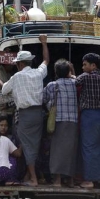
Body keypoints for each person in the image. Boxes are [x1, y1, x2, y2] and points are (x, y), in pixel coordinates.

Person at [0, 35, 49, 186]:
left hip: (25, 116)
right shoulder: (38, 73)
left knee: (26, 146)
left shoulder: (17, 77)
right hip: (39, 114)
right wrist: (44, 43)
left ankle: (33, 179)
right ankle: (27, 176)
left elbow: (3, 89)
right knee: (35, 145)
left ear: (20, 64)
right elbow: (46, 61)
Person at [75, 53, 100, 188]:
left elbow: (74, 82)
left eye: (85, 64)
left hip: (89, 116)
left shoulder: (84, 77)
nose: (83, 67)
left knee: (88, 147)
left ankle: (90, 180)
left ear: (93, 65)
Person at [42, 59, 78, 187]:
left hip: (57, 121)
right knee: (72, 150)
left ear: (56, 72)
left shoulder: (52, 85)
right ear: (69, 71)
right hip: (74, 121)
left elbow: (43, 99)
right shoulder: (75, 83)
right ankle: (71, 180)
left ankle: (57, 180)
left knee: (57, 150)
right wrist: (73, 72)